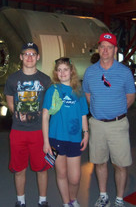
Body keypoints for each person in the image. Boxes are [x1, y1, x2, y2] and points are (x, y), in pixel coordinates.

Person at [82, 32, 136, 207]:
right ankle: (103, 195)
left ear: (115, 50)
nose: (105, 50)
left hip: (118, 125)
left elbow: (130, 96)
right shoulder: (90, 72)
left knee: (121, 164)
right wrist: (100, 111)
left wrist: (116, 112)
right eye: (102, 47)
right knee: (99, 162)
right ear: (98, 49)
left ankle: (119, 198)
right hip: (97, 124)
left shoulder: (124, 72)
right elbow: (88, 95)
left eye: (109, 47)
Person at [4, 42, 52, 207]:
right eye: (26, 54)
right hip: (18, 131)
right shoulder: (12, 79)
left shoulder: (46, 80)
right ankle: (21, 200)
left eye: (33, 54)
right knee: (19, 169)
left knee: (42, 169)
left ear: (38, 57)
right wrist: (21, 116)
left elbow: (48, 108)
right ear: (21, 57)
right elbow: (10, 103)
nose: (29, 57)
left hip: (39, 132)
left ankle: (43, 201)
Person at [42, 57, 89, 207]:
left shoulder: (78, 91)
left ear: (71, 71)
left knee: (74, 178)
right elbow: (45, 116)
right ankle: (66, 202)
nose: (62, 73)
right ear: (56, 72)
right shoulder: (52, 90)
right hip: (56, 138)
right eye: (59, 70)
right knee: (61, 174)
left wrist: (86, 133)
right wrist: (46, 142)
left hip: (74, 138)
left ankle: (73, 199)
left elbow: (83, 114)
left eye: (65, 69)